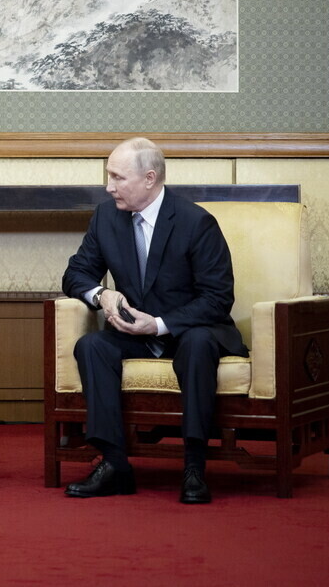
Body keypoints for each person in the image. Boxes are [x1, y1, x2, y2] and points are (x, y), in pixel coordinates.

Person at [61, 137, 246, 504]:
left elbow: (217, 298)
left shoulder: (196, 223)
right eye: (108, 177)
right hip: (135, 332)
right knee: (92, 346)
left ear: (149, 178)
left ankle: (194, 467)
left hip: (190, 330)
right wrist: (102, 295)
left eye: (117, 177)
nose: (108, 186)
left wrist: (159, 324)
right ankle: (115, 464)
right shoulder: (106, 217)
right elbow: (75, 274)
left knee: (196, 346)